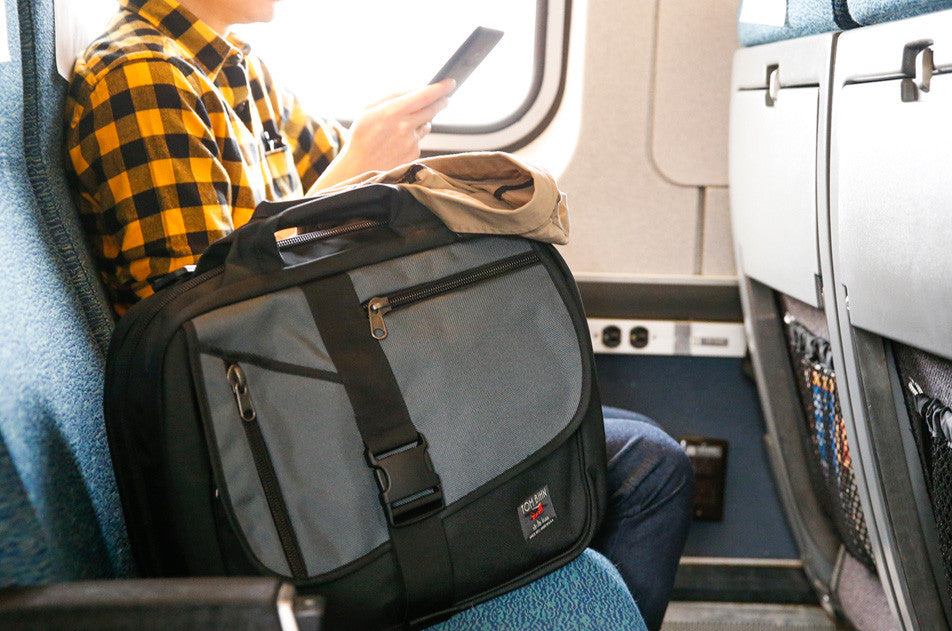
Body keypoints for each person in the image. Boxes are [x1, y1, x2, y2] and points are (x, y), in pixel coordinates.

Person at [65, 0, 693, 628]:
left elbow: (331, 210)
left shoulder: (237, 68)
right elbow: (196, 318)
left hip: (311, 377)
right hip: (277, 424)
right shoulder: (144, 78)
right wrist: (355, 166)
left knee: (643, 454)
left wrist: (378, 147)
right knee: (644, 468)